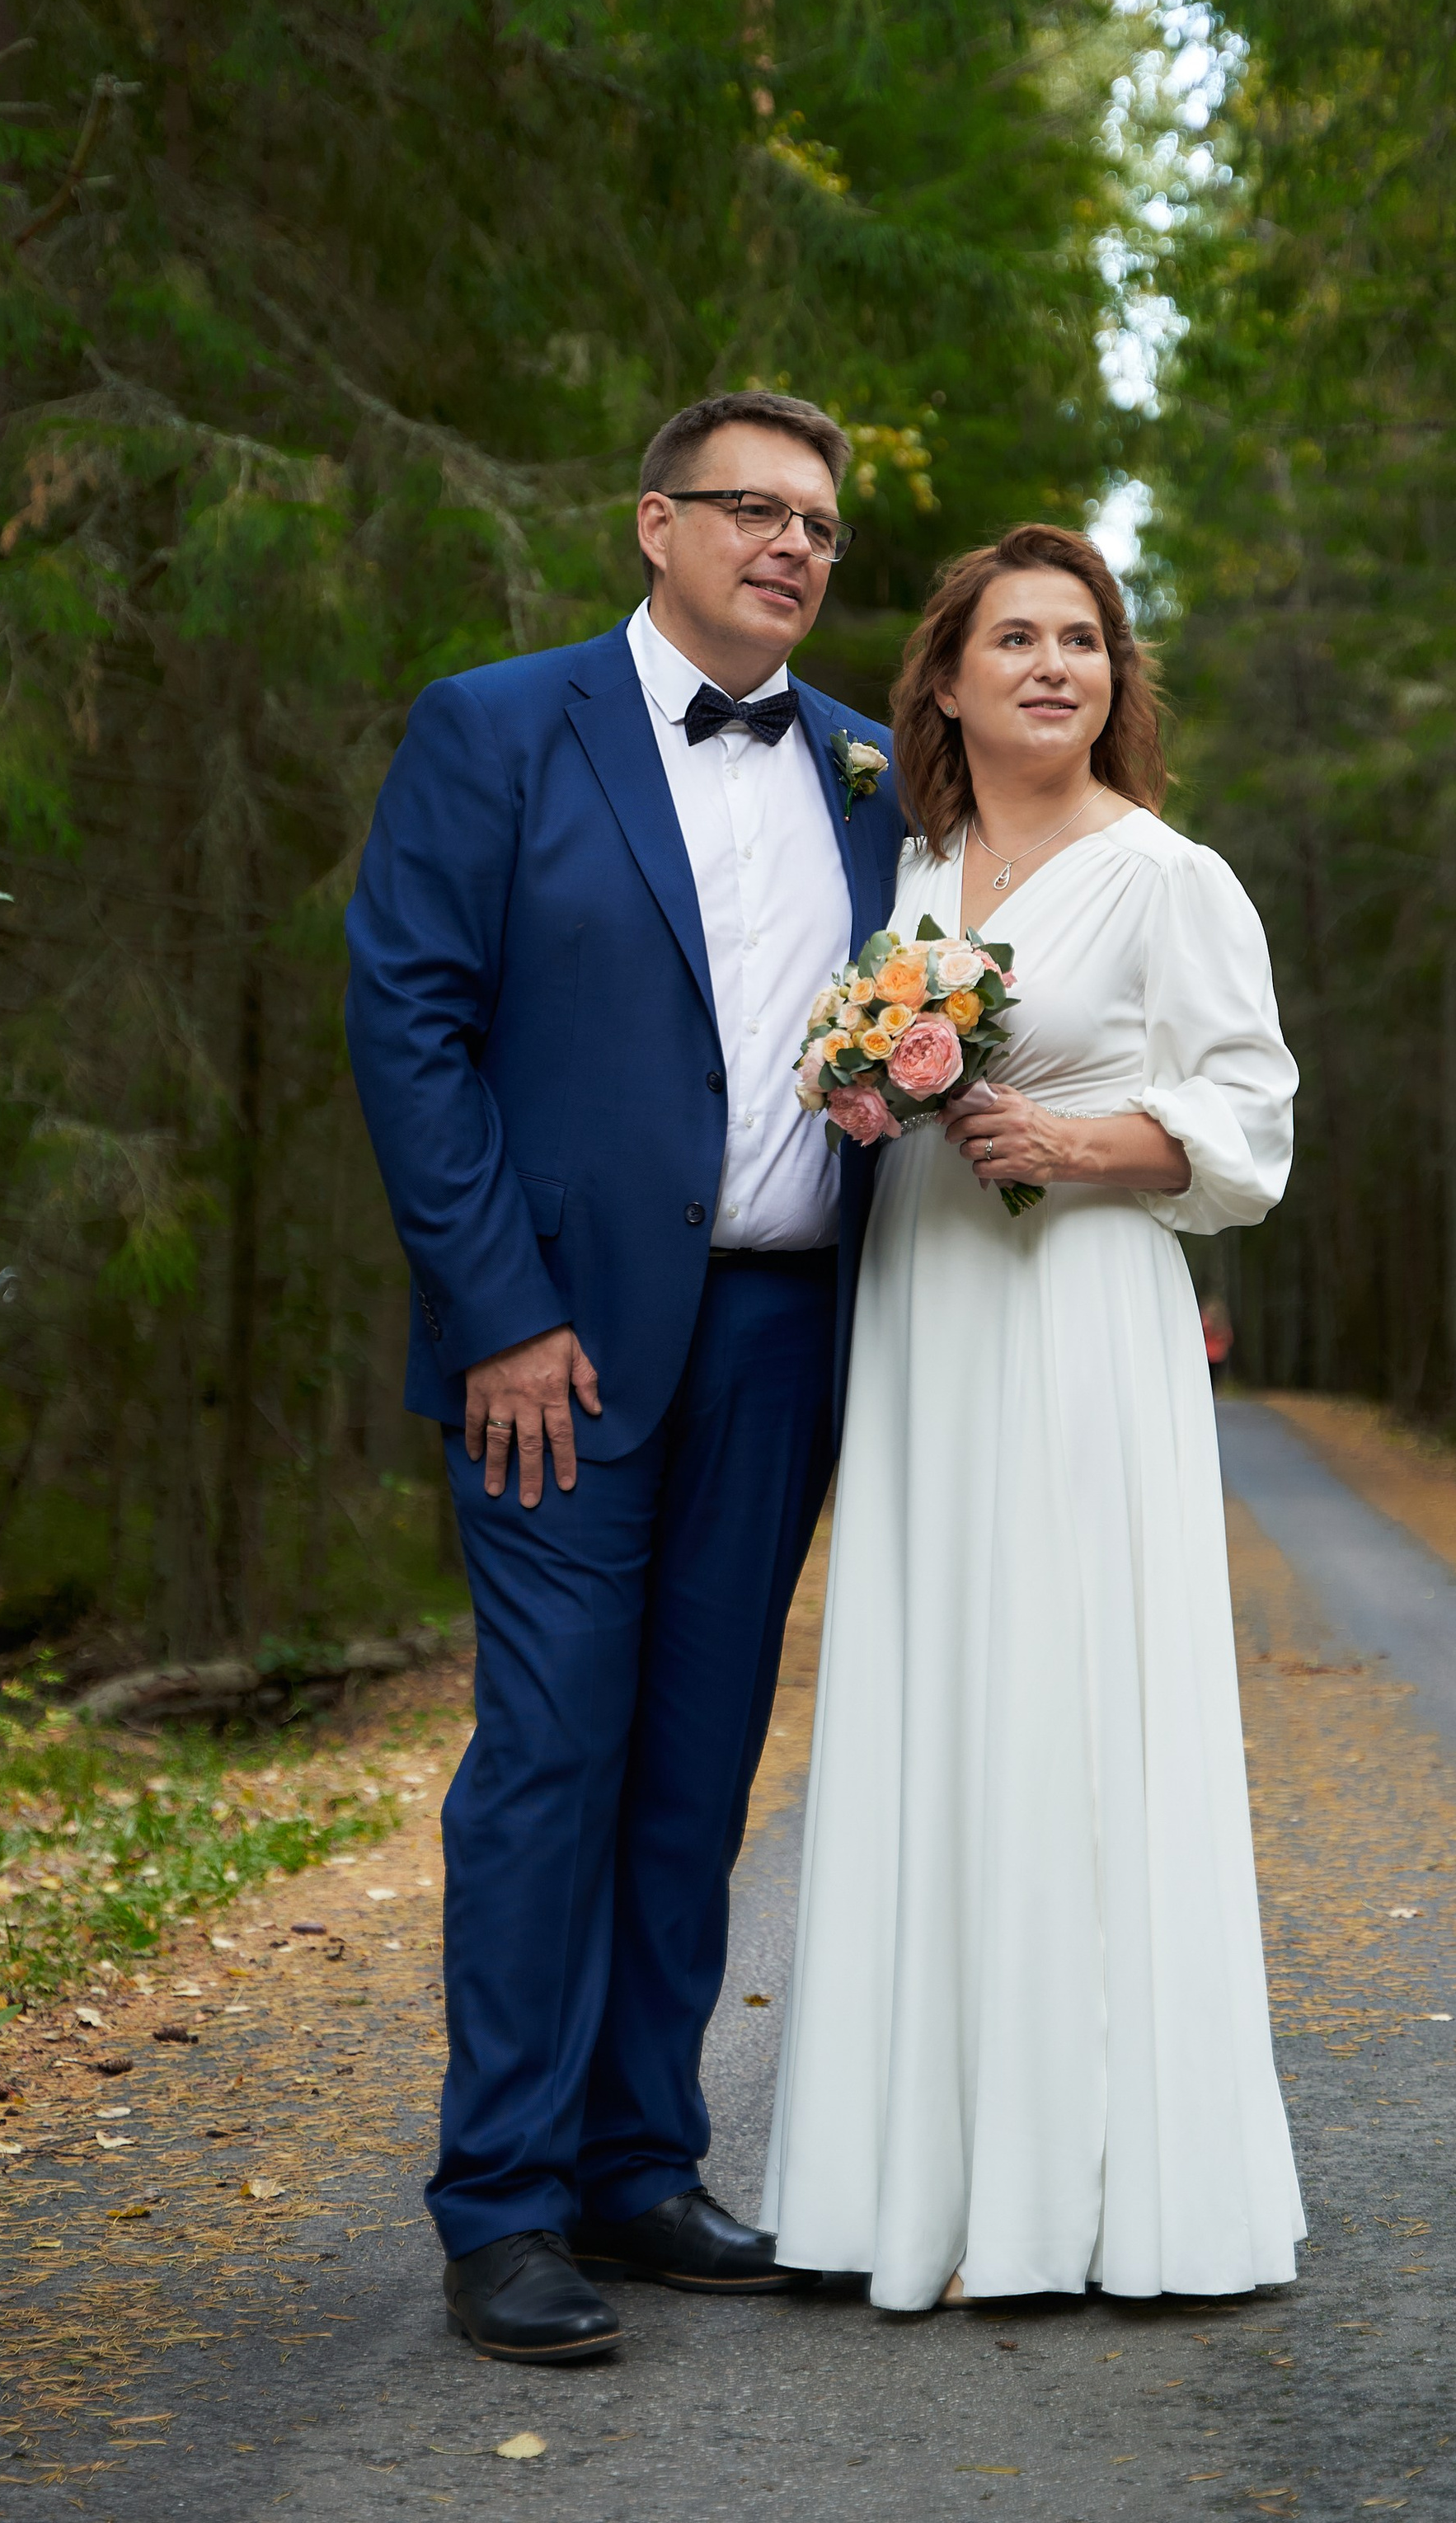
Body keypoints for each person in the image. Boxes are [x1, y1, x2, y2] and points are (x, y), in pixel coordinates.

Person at [345, 392, 905, 2365]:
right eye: (751, 507)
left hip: (784, 1334)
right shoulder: (497, 725)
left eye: (817, 522)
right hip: (556, 1349)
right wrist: (497, 1308)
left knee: (692, 1771)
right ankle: (499, 2203)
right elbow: (408, 1022)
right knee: (551, 1758)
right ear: (653, 524)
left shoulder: (864, 770)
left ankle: (635, 2162)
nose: (790, 543)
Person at [762, 524, 1305, 2310]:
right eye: (1015, 638)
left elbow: (1249, 1131)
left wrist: (1072, 1144)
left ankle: (1095, 2198)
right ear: (944, 679)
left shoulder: (1168, 878)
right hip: (926, 1305)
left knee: (1069, 1700)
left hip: (1077, 1315)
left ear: (1113, 681)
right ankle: (904, 2191)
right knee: (934, 1696)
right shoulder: (907, 865)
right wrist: (861, 1091)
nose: (1054, 665)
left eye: (1084, 639)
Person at [1201, 1292, 1235, 1391]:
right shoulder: (1222, 1322)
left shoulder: (1206, 1320)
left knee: (1209, 1376)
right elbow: (1229, 1338)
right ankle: (1214, 1390)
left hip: (1208, 1353)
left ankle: (1210, 1390)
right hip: (1218, 1354)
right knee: (1215, 1376)